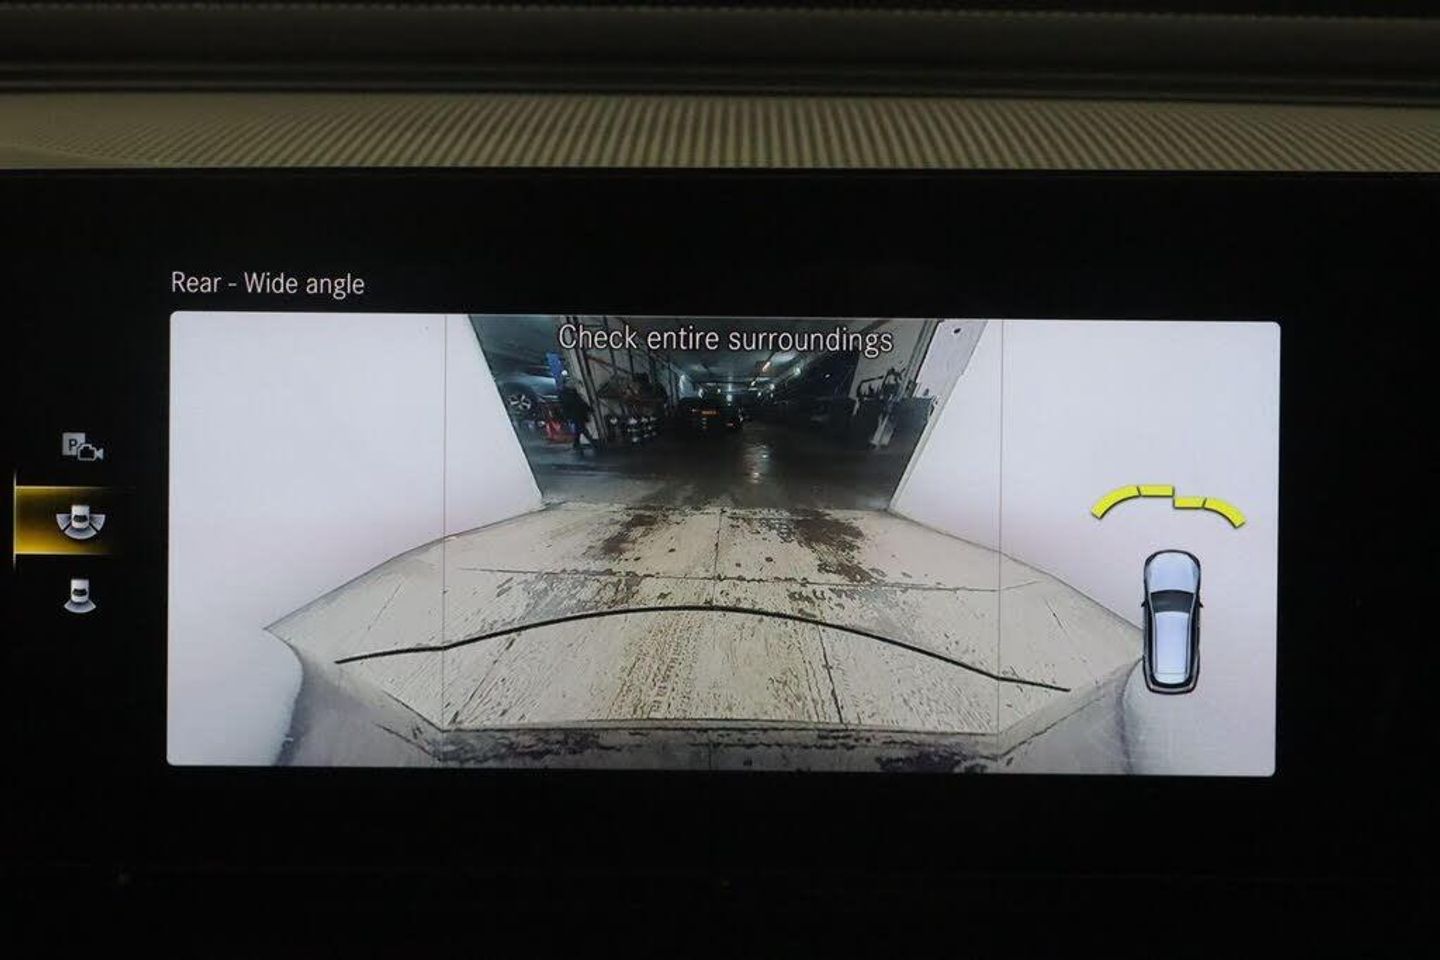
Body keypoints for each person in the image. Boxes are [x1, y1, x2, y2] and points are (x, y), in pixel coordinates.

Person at [558, 384, 596, 451]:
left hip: (575, 415)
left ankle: (576, 444)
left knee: (578, 429)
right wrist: (589, 409)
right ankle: (592, 442)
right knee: (582, 429)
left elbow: (579, 403)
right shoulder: (572, 395)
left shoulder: (567, 396)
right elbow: (581, 403)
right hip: (577, 415)